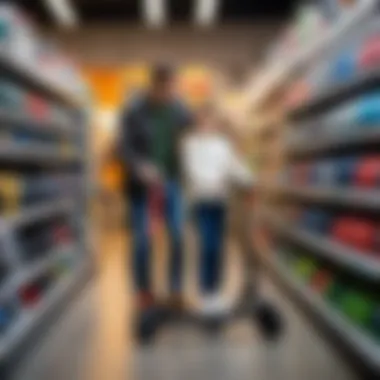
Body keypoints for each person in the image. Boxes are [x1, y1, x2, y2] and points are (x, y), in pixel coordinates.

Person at [120, 64, 192, 340]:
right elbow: (124, 147)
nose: (170, 94)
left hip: (171, 183)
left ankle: (175, 290)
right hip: (143, 186)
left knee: (177, 234)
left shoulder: (180, 109)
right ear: (154, 86)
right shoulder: (133, 110)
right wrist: (140, 167)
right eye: (165, 89)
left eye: (173, 88)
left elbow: (196, 131)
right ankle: (144, 292)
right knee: (143, 240)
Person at [182, 104, 254, 318]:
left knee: (218, 247)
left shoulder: (223, 145)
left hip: (219, 203)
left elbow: (234, 166)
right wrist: (212, 181)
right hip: (202, 202)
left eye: (211, 122)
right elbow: (193, 171)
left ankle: (216, 294)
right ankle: (205, 294)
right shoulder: (190, 145)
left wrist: (249, 180)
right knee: (207, 245)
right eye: (204, 121)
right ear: (198, 123)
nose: (208, 126)